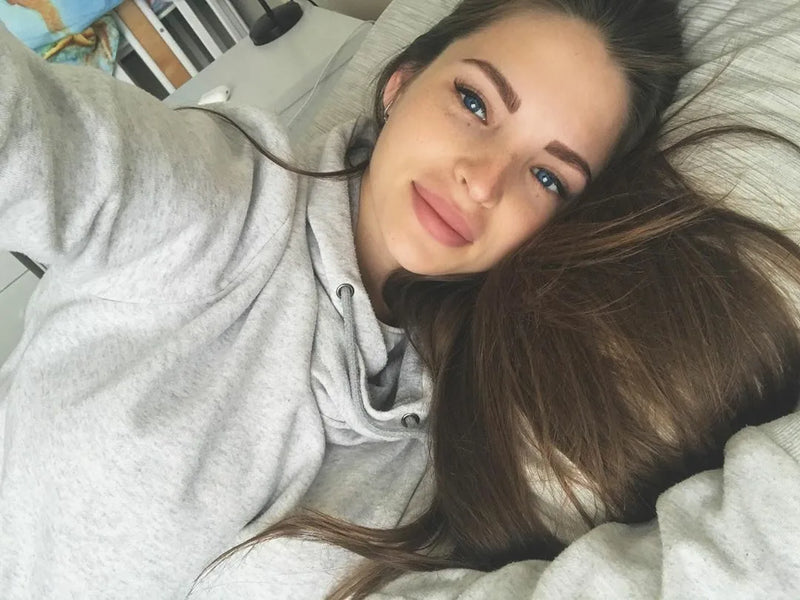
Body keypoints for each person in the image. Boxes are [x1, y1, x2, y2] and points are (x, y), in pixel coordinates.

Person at [0, 1, 799, 599]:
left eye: (547, 176)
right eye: (475, 103)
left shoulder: (472, 450)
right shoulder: (213, 195)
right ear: (400, 83)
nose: (482, 181)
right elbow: (36, 132)